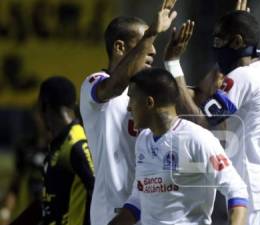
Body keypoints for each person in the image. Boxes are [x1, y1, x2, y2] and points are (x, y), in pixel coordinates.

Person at [79, 0, 199, 224]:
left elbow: (195, 114)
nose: (152, 49)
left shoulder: (150, 89)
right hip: (111, 211)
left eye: (152, 40)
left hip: (151, 210)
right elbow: (114, 87)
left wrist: (173, 63)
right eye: (145, 41)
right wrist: (152, 31)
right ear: (120, 47)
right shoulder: (95, 85)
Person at [194, 7, 260, 225]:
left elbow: (200, 120)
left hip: (258, 204)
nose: (216, 47)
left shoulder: (243, 77)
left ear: (237, 41)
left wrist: (173, 68)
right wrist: (238, 23)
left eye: (221, 40)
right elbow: (207, 93)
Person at [109, 68, 248, 225]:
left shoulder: (196, 139)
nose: (128, 108)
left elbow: (236, 189)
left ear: (149, 102)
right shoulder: (143, 140)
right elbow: (138, 198)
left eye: (132, 99)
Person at [10, 76, 94, 225]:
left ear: (43, 107)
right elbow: (46, 202)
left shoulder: (76, 144)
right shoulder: (59, 143)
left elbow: (99, 192)